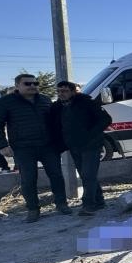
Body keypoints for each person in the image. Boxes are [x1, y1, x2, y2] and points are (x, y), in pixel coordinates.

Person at [0, 73, 69, 223]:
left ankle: (62, 204)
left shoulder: (45, 100)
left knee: (57, 176)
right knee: (28, 179)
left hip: (48, 146)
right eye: (27, 84)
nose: (33, 86)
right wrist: (2, 146)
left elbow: (56, 121)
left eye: (35, 83)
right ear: (18, 86)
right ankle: (33, 209)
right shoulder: (5, 102)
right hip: (23, 148)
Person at [50, 81, 112, 216]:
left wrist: (90, 134)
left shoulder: (87, 102)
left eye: (65, 91)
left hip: (92, 145)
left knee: (88, 175)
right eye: (59, 91)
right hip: (74, 146)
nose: (61, 94)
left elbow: (106, 119)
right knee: (86, 175)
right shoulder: (58, 107)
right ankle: (99, 201)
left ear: (73, 92)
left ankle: (88, 205)